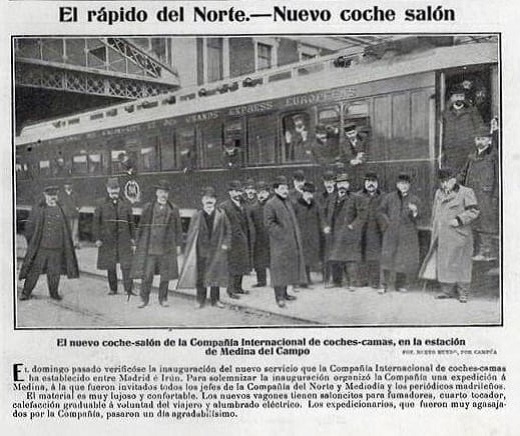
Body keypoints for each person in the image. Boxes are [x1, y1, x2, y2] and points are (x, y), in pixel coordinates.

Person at [419, 168, 480, 303]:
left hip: (460, 235)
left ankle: (463, 292)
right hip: (442, 235)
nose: (444, 185)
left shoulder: (466, 192)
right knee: (445, 263)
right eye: (442, 182)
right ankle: (447, 291)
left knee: (462, 264)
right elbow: (435, 212)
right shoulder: (438, 193)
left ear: (454, 179)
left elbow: (474, 211)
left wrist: (459, 219)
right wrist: (434, 228)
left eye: (447, 181)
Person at [19, 186, 79, 301]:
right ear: (45, 196)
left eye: (54, 196)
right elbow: (29, 228)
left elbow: (66, 228)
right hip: (41, 248)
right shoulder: (39, 209)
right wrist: (33, 243)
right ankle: (26, 292)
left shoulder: (61, 209)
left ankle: (54, 293)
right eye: (50, 196)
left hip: (57, 248)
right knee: (34, 271)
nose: (52, 198)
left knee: (54, 273)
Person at [131, 180, 183, 308]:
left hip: (166, 248)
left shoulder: (173, 209)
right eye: (160, 192)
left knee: (165, 276)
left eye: (165, 192)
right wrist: (137, 243)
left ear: (168, 194)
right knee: (147, 275)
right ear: (156, 193)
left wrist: (178, 245)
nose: (163, 194)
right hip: (150, 248)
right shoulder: (148, 207)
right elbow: (141, 226)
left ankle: (163, 299)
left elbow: (178, 228)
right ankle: (144, 299)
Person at [177, 187, 230, 309]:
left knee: (215, 276)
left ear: (215, 200)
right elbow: (191, 232)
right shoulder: (197, 215)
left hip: (216, 251)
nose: (209, 201)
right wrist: (191, 249)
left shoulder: (221, 214)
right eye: (206, 198)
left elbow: (228, 231)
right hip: (201, 251)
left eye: (211, 198)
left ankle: (215, 300)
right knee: (201, 276)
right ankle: (200, 300)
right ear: (202, 200)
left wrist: (225, 244)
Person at [264, 176, 307, 307]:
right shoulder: (270, 204)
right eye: (282, 188)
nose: (285, 190)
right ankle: (279, 298)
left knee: (288, 269)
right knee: (279, 270)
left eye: (286, 188)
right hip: (279, 244)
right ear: (275, 189)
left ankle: (286, 293)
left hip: (291, 242)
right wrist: (283, 235)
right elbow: (269, 224)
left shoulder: (287, 201)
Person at [460, 125, 499, 261]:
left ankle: (487, 251)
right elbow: (463, 174)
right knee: (473, 222)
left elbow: (499, 178)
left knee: (485, 223)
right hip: (472, 194)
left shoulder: (494, 156)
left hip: (486, 196)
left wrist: (495, 196)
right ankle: (476, 250)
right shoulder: (471, 157)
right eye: (477, 139)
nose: (479, 141)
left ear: (489, 141)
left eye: (482, 139)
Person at [93, 177, 136, 297]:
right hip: (108, 239)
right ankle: (113, 289)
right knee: (110, 265)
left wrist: (133, 238)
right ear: (107, 190)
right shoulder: (101, 203)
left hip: (124, 239)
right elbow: (96, 222)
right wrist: (97, 238)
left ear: (119, 189)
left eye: (116, 190)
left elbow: (131, 222)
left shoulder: (126, 203)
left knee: (126, 265)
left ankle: (129, 289)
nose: (114, 193)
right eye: (111, 190)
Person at [379, 173, 421, 294]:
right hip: (390, 233)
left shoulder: (414, 199)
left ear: (409, 185)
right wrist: (387, 224)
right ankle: (383, 285)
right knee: (386, 258)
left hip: (406, 234)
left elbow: (420, 217)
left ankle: (400, 284)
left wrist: (415, 211)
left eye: (406, 184)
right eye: (401, 183)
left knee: (403, 259)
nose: (403, 186)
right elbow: (381, 211)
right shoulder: (389, 198)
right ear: (397, 184)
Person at [324, 173, 367, 291]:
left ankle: (352, 283)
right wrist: (326, 226)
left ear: (348, 184)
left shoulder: (355, 198)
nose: (342, 186)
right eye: (340, 183)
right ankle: (336, 281)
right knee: (334, 258)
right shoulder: (331, 198)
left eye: (344, 183)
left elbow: (362, 215)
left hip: (348, 233)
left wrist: (353, 226)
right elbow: (324, 213)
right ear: (336, 185)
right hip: (334, 232)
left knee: (350, 259)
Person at [220, 180, 253, 299]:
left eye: (240, 191)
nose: (238, 194)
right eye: (236, 191)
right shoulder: (224, 206)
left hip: (243, 238)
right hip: (232, 240)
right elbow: (222, 225)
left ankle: (238, 287)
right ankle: (231, 290)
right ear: (230, 192)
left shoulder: (243, 204)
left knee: (241, 264)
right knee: (232, 265)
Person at [442, 85, 485, 172]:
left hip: (469, 152)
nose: (459, 99)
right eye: (456, 96)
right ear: (451, 98)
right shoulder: (445, 113)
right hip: (452, 154)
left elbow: (480, 129)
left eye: (461, 96)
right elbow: (441, 133)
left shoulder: (472, 111)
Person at [357, 172, 386, 290]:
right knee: (360, 254)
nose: (370, 184)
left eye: (373, 181)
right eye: (368, 181)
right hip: (361, 230)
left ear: (377, 183)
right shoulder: (358, 196)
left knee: (374, 255)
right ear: (364, 183)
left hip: (376, 231)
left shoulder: (383, 197)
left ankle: (374, 281)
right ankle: (362, 280)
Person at [293, 182, 324, 287]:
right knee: (301, 257)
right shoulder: (296, 204)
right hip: (301, 235)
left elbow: (321, 218)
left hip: (313, 235)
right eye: (307, 193)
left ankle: (307, 279)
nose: (309, 195)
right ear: (303, 193)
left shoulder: (316, 204)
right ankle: (302, 280)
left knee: (310, 257)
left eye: (311, 193)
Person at [249, 181, 271, 287]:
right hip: (259, 238)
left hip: (271, 236)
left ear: (268, 193)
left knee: (273, 260)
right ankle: (261, 281)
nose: (261, 195)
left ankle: (276, 281)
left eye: (263, 192)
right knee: (259, 261)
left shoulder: (272, 205)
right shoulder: (253, 208)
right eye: (259, 193)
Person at [58, 180, 80, 248]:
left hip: (74, 214)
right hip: (66, 214)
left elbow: (79, 203)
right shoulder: (61, 195)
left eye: (70, 184)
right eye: (67, 184)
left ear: (72, 185)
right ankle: (68, 243)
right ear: (64, 186)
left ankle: (75, 243)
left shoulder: (75, 194)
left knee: (75, 229)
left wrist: (78, 208)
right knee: (68, 229)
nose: (68, 186)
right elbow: (59, 204)